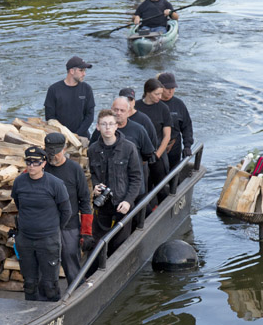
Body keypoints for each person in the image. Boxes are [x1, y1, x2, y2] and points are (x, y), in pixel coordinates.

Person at [11, 146, 71, 302]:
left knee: (50, 284)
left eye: (36, 163)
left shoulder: (55, 184)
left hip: (48, 240)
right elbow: (18, 203)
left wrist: (53, 229)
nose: (31, 166)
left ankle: (53, 310)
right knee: (29, 282)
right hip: (25, 239)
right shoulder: (19, 182)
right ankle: (30, 310)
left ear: (44, 163)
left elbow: (66, 211)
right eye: (28, 162)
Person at [87, 109, 142, 254]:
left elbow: (136, 178)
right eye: (103, 124)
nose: (107, 127)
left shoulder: (129, 148)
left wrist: (128, 201)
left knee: (119, 244)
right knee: (98, 243)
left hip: (122, 204)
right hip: (102, 205)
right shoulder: (93, 150)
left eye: (111, 124)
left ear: (117, 126)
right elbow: (93, 174)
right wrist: (96, 186)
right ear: (97, 127)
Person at [44, 131, 93, 285]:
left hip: (69, 226)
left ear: (64, 149)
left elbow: (85, 200)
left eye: (56, 153)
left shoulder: (74, 169)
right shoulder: (41, 168)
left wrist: (86, 231)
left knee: (71, 262)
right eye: (49, 153)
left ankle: (77, 290)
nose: (52, 156)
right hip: (46, 226)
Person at [135, 78, 172, 201]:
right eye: (157, 94)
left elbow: (167, 136)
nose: (160, 97)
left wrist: (157, 155)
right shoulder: (136, 106)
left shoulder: (163, 108)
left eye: (161, 94)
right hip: (140, 153)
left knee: (161, 184)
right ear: (148, 92)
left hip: (157, 152)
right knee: (144, 184)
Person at [44, 56, 95, 140]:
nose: (84, 74)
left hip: (82, 137)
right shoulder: (54, 90)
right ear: (71, 71)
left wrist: (76, 135)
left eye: (84, 71)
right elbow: (50, 117)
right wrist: (64, 135)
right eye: (81, 70)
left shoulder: (87, 89)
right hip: (60, 138)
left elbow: (90, 116)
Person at [156, 71, 194, 169]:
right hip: (155, 146)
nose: (170, 91)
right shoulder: (153, 103)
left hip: (174, 147)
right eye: (167, 88)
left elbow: (187, 126)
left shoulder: (179, 104)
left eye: (173, 88)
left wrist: (187, 146)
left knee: (174, 170)